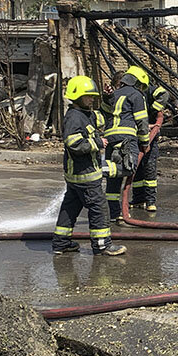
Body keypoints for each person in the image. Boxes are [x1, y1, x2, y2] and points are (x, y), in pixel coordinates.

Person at [53, 76, 126, 257]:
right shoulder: (74, 118)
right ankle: (102, 245)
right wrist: (98, 143)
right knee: (99, 208)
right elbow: (74, 144)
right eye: (88, 96)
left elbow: (103, 117)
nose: (92, 99)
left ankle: (61, 243)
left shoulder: (86, 114)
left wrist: (108, 98)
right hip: (85, 175)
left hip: (77, 175)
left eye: (93, 96)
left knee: (70, 207)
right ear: (77, 97)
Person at [100, 69, 151, 224]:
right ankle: (101, 168)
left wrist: (106, 97)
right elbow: (142, 121)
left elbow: (105, 112)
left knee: (113, 179)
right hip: (127, 137)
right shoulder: (137, 95)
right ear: (137, 82)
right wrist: (145, 142)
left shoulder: (114, 94)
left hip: (110, 137)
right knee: (129, 167)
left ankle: (115, 214)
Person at [131, 84, 170, 212]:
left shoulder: (148, 90)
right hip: (136, 136)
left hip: (150, 138)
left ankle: (150, 201)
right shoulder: (130, 95)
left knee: (149, 168)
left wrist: (153, 110)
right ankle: (138, 199)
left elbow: (164, 94)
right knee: (136, 170)